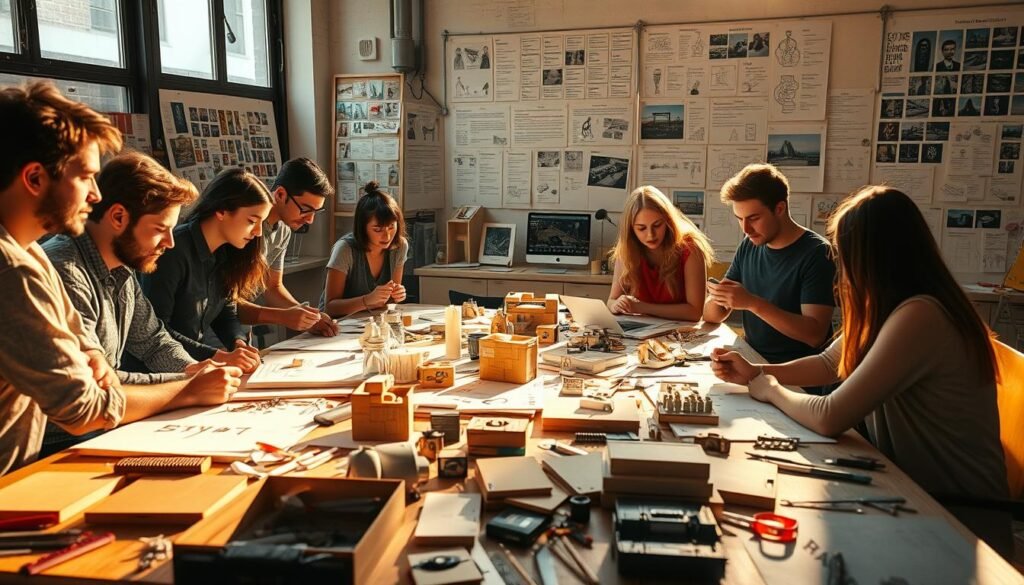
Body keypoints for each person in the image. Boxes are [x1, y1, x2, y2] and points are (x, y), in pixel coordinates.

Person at [710, 186, 1011, 555]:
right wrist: (754, 369)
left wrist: (767, 386)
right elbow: (828, 363)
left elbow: (830, 415)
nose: (841, 269)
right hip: (904, 491)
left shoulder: (922, 315)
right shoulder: (890, 307)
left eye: (844, 256)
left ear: (875, 257)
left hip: (954, 519)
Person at [0, 82, 239, 474]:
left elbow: (101, 359)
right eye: (86, 177)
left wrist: (192, 373)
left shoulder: (29, 254)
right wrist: (186, 389)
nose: (96, 195)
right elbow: (84, 407)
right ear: (35, 178)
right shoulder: (19, 269)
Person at [41, 151, 242, 454]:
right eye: (161, 229)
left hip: (105, 429)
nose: (170, 243)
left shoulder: (122, 266)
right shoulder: (65, 271)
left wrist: (197, 371)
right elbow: (97, 386)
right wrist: (188, 386)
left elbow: (153, 342)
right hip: (57, 445)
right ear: (118, 217)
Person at [702, 164, 835, 371]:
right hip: (753, 361)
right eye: (740, 219)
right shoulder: (750, 244)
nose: (746, 229)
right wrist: (719, 297)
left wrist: (752, 303)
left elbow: (815, 335)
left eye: (753, 218)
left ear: (779, 209)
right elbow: (712, 316)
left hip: (799, 375)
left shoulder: (818, 253)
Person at [141, 168, 271, 373]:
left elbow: (225, 311)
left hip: (193, 369)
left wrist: (238, 344)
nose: (258, 232)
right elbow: (156, 330)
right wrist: (217, 356)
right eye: (252, 221)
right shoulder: (172, 251)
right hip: (155, 373)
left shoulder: (226, 252)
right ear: (221, 211)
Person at [234, 158, 338, 337]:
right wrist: (284, 317)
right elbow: (226, 303)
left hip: (239, 333)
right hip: (213, 335)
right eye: (305, 209)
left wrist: (307, 318)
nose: (310, 219)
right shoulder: (244, 229)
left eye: (315, 212)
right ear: (280, 194)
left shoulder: (283, 230)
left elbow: (273, 286)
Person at [607, 186, 714, 321]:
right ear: (631, 229)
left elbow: (695, 312)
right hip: (641, 332)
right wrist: (616, 305)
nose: (650, 235)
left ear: (668, 221)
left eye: (657, 225)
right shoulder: (627, 250)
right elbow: (611, 300)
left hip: (681, 333)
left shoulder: (690, 248)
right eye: (641, 228)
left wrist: (642, 307)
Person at [322, 181, 408, 316]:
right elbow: (330, 308)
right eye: (377, 229)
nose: (387, 236)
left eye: (391, 227)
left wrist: (397, 295)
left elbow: (390, 301)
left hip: (371, 322)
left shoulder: (400, 246)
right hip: (338, 325)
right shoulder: (345, 249)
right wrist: (367, 300)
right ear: (363, 228)